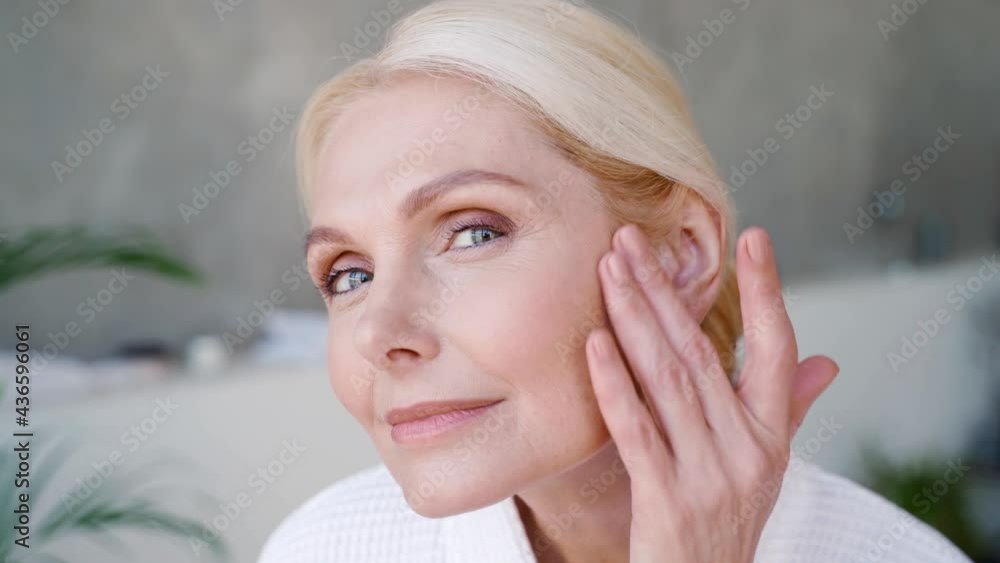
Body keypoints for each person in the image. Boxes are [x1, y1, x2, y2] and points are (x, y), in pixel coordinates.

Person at [259, 0, 972, 561]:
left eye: (474, 231)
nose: (381, 333)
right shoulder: (323, 547)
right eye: (348, 274)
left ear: (680, 254)